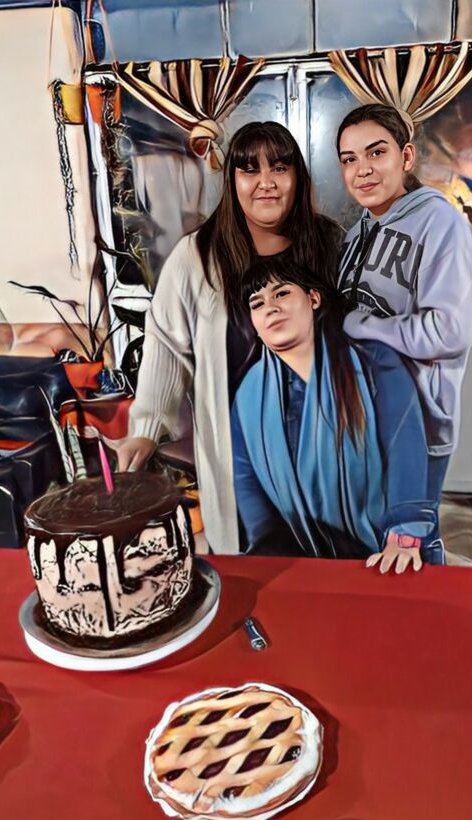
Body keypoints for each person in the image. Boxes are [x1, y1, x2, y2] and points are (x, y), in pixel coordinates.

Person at [118, 122, 341, 553]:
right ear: (232, 180)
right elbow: (167, 345)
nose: (265, 183)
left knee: (325, 557)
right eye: (249, 170)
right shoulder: (197, 255)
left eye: (279, 168)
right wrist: (146, 428)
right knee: (253, 557)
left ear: (298, 177)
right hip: (239, 456)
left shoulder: (329, 245)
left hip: (322, 444)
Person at [336, 103, 472, 562]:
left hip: (419, 424)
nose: (362, 169)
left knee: (414, 541)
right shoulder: (356, 234)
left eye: (376, 153)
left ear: (406, 156)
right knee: (374, 544)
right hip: (362, 418)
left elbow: (449, 330)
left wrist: (362, 325)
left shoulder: (442, 225)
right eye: (349, 159)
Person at [230, 256, 438, 572]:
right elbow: (245, 477)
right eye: (257, 304)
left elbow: (405, 451)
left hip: (381, 553)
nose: (270, 307)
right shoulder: (248, 394)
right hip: (296, 560)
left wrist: (403, 536)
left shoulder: (374, 362)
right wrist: (266, 546)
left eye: (281, 293)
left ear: (313, 298)